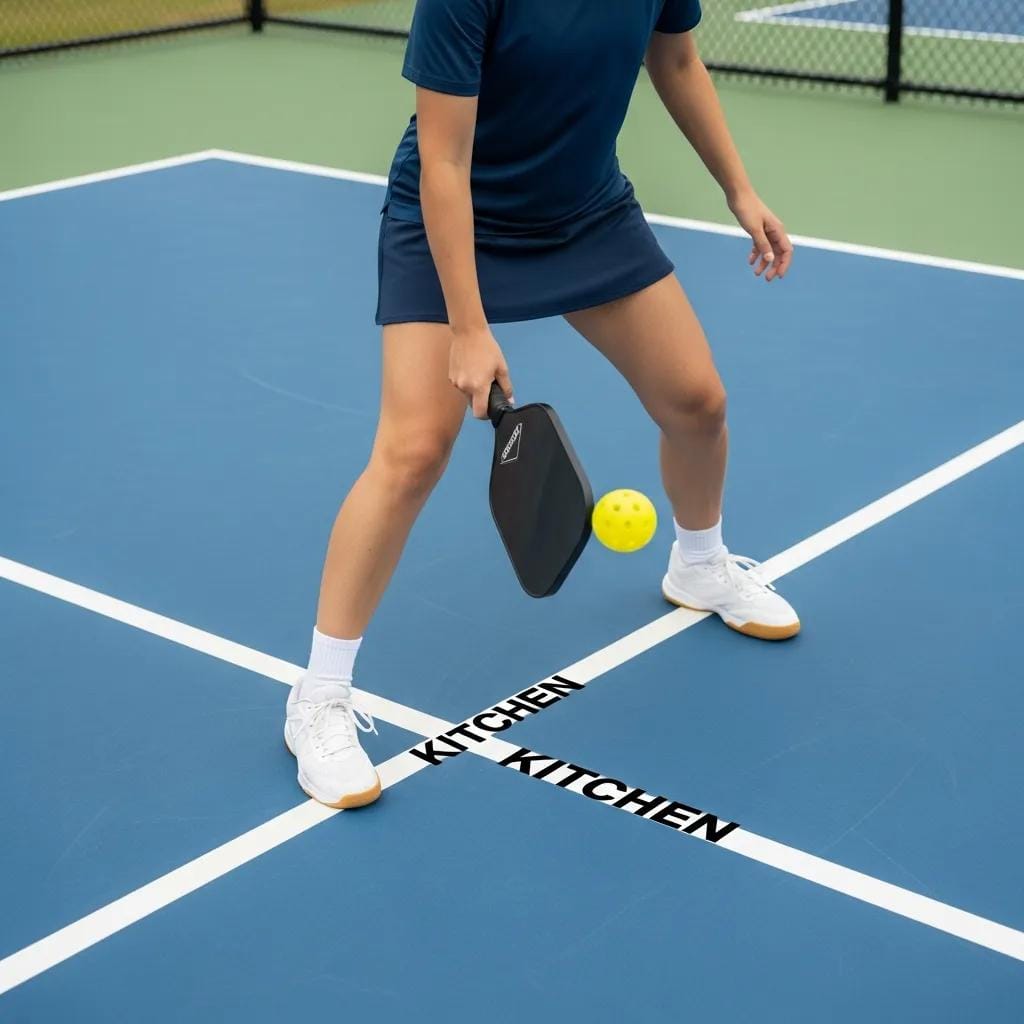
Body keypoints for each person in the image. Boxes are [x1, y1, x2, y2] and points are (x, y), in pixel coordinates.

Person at [284, 0, 801, 809]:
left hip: (583, 212)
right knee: (415, 451)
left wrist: (739, 189)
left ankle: (700, 565)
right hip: (452, 217)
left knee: (698, 401)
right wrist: (468, 326)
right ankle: (317, 697)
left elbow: (674, 61)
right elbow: (445, 163)